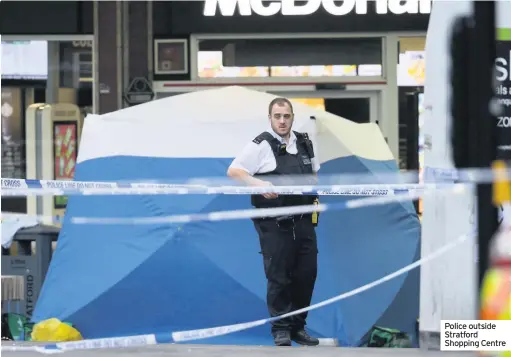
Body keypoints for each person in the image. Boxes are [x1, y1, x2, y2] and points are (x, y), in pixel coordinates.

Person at [227, 97, 320, 347]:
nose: (282, 121)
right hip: (275, 224)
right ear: (270, 118)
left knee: (306, 275)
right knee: (279, 277)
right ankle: (281, 329)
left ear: (292, 117)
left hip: (304, 220)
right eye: (277, 116)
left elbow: (314, 175)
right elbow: (234, 171)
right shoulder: (261, 144)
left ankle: (298, 327)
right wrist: (258, 183)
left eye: (286, 116)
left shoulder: (305, 143)